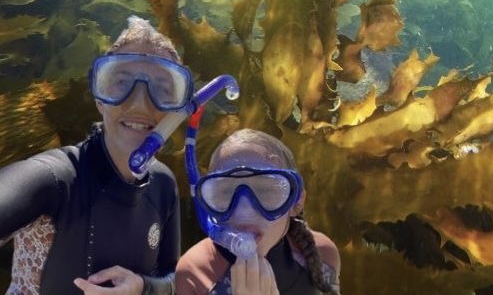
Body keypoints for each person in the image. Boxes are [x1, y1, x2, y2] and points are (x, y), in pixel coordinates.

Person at [0, 16, 182, 294]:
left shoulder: (163, 184)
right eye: (122, 82)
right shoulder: (54, 178)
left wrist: (142, 287)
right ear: (99, 98)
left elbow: (173, 279)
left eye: (162, 89)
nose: (140, 102)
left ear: (176, 109)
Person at [175, 129, 340, 295]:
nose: (244, 211)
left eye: (266, 190)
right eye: (225, 192)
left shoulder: (322, 254)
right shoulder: (194, 271)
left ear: (296, 203)